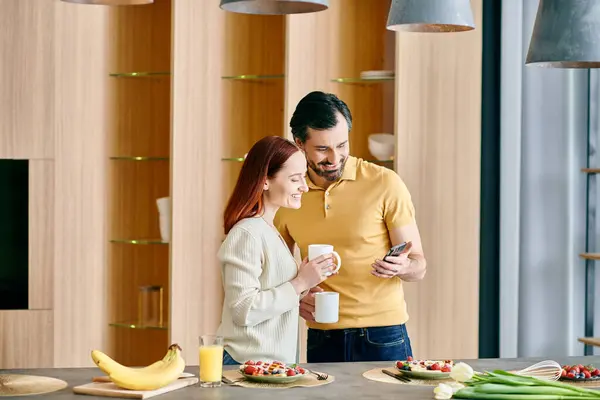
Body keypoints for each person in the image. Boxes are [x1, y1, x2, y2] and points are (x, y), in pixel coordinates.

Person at [274, 91, 427, 363]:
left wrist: (403, 267)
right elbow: (276, 273)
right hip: (322, 335)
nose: (335, 157)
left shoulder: (385, 183)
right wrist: (298, 296)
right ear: (299, 143)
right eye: (322, 149)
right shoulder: (287, 194)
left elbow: (419, 266)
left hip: (384, 334)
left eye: (342, 145)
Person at [216, 135, 338, 366]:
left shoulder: (268, 230)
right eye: (294, 179)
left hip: (269, 368)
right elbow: (244, 310)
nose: (304, 186)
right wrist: (300, 283)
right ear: (265, 181)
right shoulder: (248, 233)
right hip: (245, 367)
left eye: (303, 177)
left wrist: (300, 295)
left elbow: (266, 290)